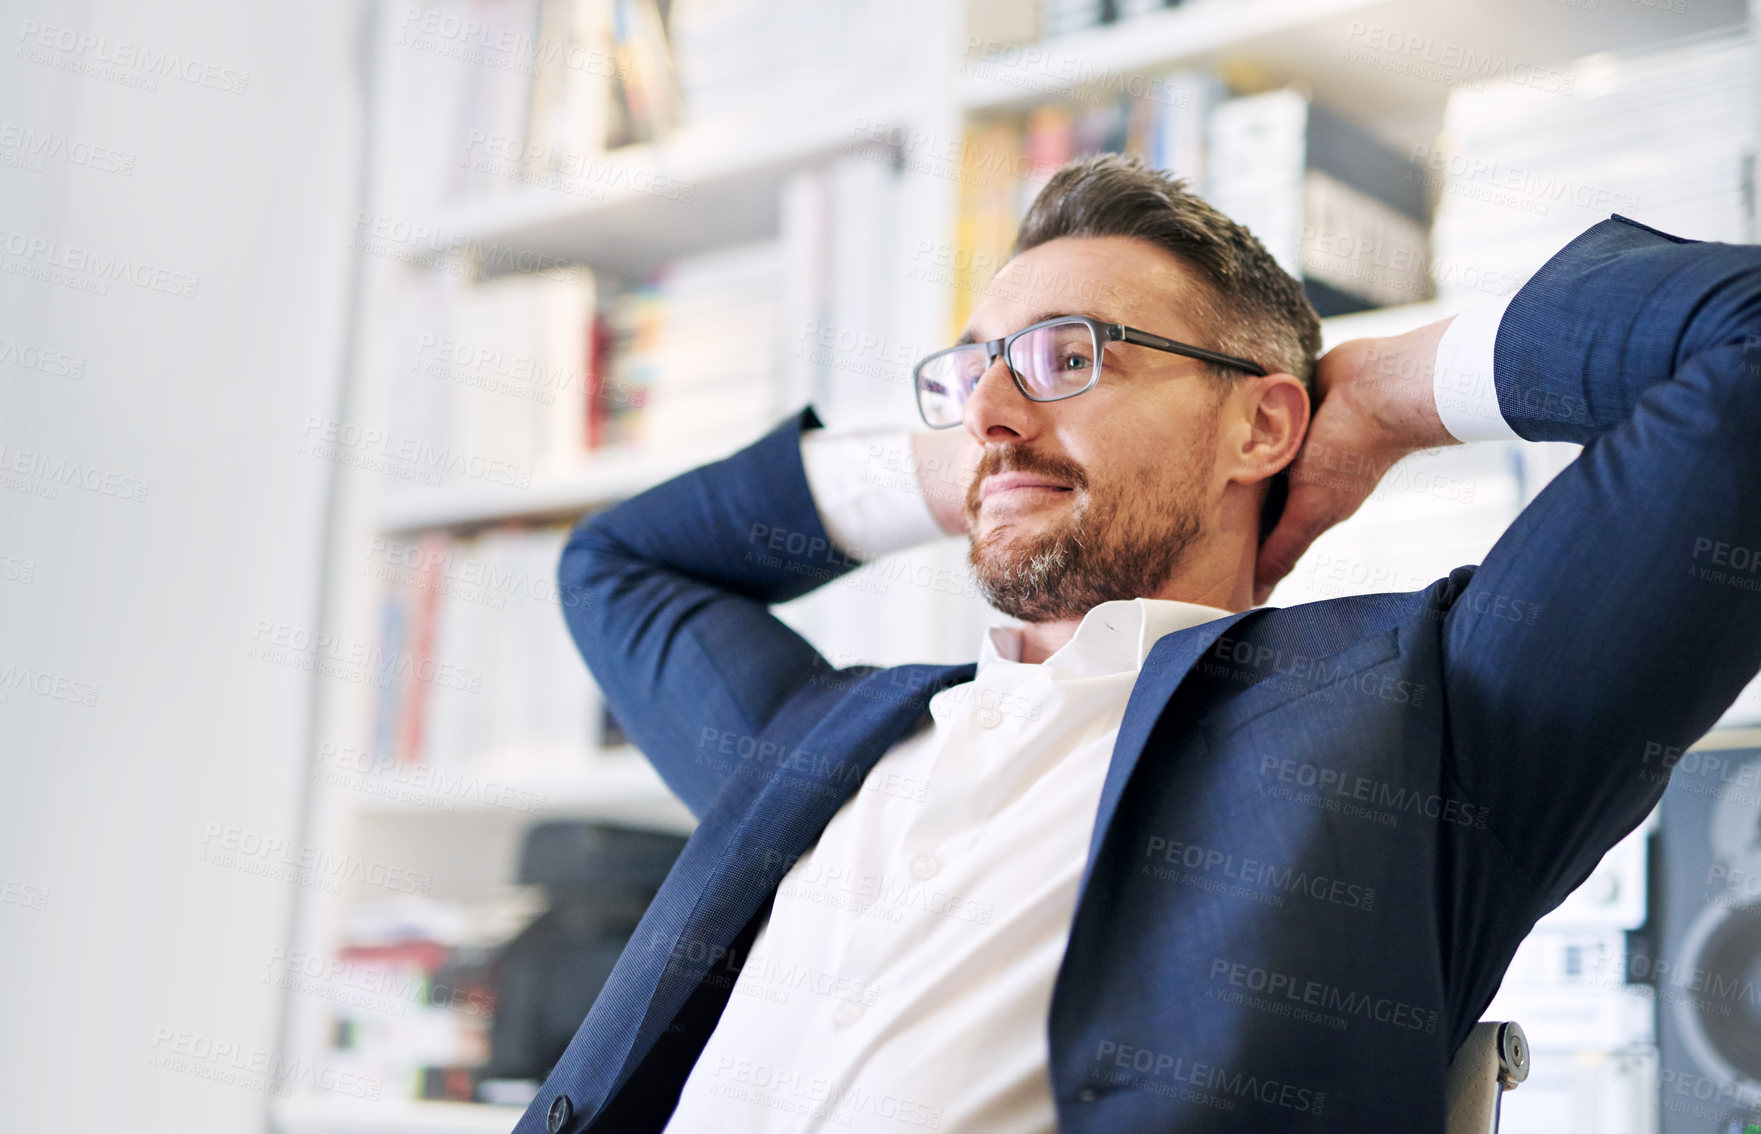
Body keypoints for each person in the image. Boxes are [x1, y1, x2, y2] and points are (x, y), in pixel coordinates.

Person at [518, 153, 1761, 1133]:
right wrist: (997, 451)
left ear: (1260, 426)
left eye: (1072, 355)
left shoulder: (1417, 723)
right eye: (968, 374)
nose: (991, 413)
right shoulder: (813, 747)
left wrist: (1380, 394)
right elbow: (617, 562)